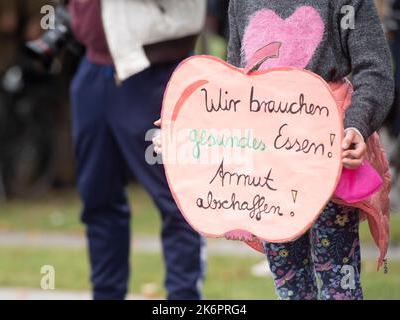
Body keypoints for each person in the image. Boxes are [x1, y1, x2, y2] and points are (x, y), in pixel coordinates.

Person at [154, 0, 394, 300]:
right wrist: (187, 121)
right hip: (268, 172)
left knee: (339, 286)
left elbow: (375, 70)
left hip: (327, 157)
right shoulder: (242, 3)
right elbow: (235, 87)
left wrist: (356, 124)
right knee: (289, 285)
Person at [69, 0, 206, 300]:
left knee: (176, 201)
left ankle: (183, 299)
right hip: (93, 68)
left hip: (152, 70)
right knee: (98, 199)